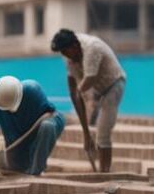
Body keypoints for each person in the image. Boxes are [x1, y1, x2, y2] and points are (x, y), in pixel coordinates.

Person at [0, 76, 65, 187]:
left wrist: (33, 130)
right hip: (17, 139)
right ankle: (8, 159)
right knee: (17, 168)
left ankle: (35, 173)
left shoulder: (32, 89)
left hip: (40, 128)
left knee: (47, 126)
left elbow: (50, 114)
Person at [51, 29, 126, 173]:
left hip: (114, 84)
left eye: (66, 52)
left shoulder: (92, 48)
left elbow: (88, 81)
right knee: (94, 134)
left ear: (74, 46)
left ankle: (104, 173)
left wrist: (79, 93)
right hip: (97, 89)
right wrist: (85, 134)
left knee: (103, 133)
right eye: (63, 54)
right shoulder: (69, 57)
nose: (66, 57)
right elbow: (74, 93)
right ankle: (100, 171)